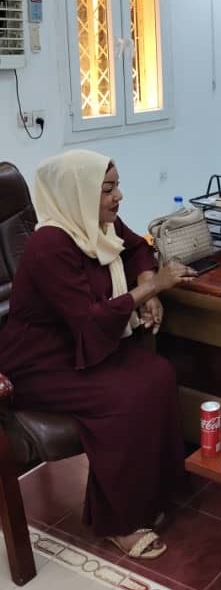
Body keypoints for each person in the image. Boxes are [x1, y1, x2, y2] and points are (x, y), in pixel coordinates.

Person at [0, 150, 200, 560]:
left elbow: (138, 248)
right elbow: (88, 319)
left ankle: (153, 493)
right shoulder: (49, 245)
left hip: (81, 349)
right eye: (107, 189)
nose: (118, 196)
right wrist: (151, 289)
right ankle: (118, 521)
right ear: (78, 194)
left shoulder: (97, 224)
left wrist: (146, 281)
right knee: (122, 399)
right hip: (38, 363)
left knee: (159, 373)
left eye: (116, 186)